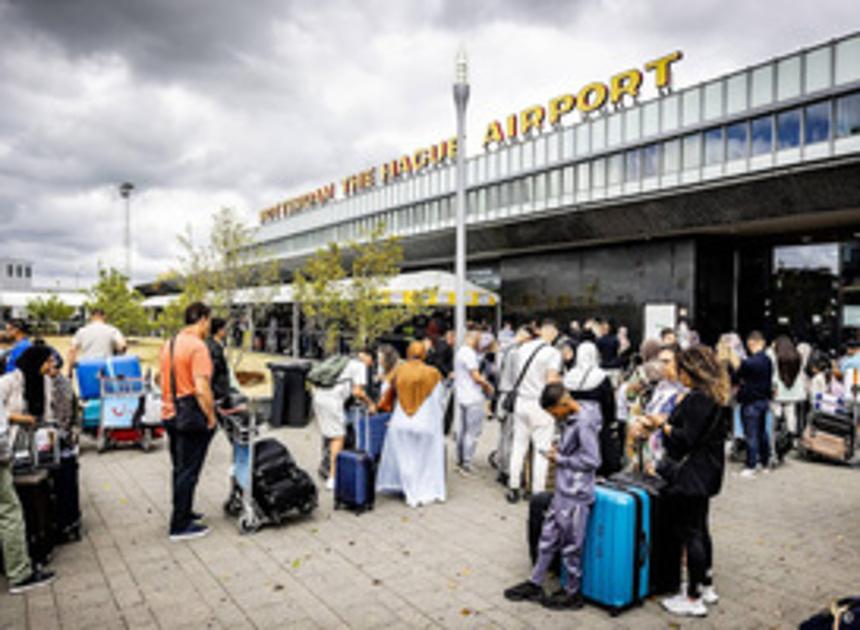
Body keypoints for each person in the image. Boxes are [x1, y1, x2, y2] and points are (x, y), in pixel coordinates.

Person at [641, 346, 727, 618]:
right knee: (701, 528)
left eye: (681, 370)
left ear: (692, 371)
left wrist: (662, 425)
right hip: (707, 471)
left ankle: (692, 597)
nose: (679, 375)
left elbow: (684, 438)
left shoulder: (696, 398)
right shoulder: (717, 396)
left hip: (691, 474)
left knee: (691, 533)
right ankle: (706, 584)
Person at [503, 382, 598, 610]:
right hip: (564, 490)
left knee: (571, 545)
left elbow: (593, 460)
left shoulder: (584, 423)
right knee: (548, 537)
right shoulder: (573, 418)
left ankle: (573, 594)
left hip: (577, 493)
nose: (553, 417)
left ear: (563, 404)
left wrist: (561, 460)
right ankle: (535, 582)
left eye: (553, 412)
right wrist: (560, 451)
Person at [0, 347, 56, 593]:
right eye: (47, 361)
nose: (51, 365)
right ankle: (19, 573)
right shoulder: (7, 383)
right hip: (7, 449)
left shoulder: (42, 383)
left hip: (24, 450)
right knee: (10, 512)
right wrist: (19, 419)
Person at [160, 302, 216, 541]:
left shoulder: (169, 344)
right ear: (203, 319)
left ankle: (184, 511)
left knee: (180, 468)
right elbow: (202, 388)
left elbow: (160, 378)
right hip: (190, 415)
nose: (209, 326)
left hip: (169, 413)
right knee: (189, 471)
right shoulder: (197, 347)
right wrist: (211, 416)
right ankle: (179, 525)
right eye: (209, 321)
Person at [376, 341, 445, 507]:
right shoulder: (433, 374)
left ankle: (410, 491)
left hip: (401, 421)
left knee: (406, 458)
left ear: (407, 353)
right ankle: (425, 490)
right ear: (424, 354)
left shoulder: (399, 371)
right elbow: (439, 400)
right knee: (424, 458)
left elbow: (384, 392)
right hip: (426, 422)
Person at [507, 319, 563, 503]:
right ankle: (536, 492)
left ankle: (513, 487)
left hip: (521, 402)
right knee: (542, 450)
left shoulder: (522, 349)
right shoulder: (552, 353)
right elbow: (551, 379)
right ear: (552, 332)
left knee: (519, 445)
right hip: (541, 406)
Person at [311, 349, 376, 490]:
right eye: (373, 361)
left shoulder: (343, 360)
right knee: (339, 437)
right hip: (332, 401)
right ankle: (333, 478)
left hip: (318, 397)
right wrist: (370, 403)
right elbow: (357, 392)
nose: (372, 365)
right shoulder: (360, 366)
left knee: (329, 434)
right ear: (368, 357)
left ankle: (325, 466)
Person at [563, 341, 618, 477]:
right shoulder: (601, 376)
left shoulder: (570, 376)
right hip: (596, 422)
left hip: (573, 420)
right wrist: (610, 421)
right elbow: (609, 402)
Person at [493, 326, 533, 485]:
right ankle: (508, 471)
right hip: (512, 396)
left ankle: (501, 468)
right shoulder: (517, 353)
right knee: (510, 435)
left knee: (503, 435)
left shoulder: (505, 350)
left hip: (503, 394)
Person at [454, 329, 494, 474]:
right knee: (472, 432)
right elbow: (475, 376)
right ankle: (467, 462)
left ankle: (460, 459)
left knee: (464, 430)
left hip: (463, 396)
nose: (480, 341)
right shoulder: (469, 354)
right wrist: (488, 386)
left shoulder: (460, 352)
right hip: (473, 397)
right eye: (478, 338)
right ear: (473, 338)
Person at [734, 331, 772, 478]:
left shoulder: (748, 363)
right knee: (762, 433)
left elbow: (735, 377)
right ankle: (765, 462)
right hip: (763, 401)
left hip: (750, 402)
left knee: (751, 434)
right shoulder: (768, 360)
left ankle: (751, 465)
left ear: (751, 343)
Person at [66, 308, 126, 376]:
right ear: (104, 317)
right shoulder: (112, 330)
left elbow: (72, 350)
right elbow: (122, 346)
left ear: (91, 317)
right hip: (105, 367)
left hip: (86, 366)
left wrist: (70, 371)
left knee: (87, 386)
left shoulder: (81, 331)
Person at [770, 336, 805, 439]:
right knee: (791, 413)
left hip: (777, 392)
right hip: (793, 393)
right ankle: (791, 437)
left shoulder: (775, 356)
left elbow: (772, 375)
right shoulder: (797, 356)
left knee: (775, 414)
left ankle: (775, 437)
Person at [205, 317, 231, 403]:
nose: (227, 331)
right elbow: (213, 371)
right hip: (217, 392)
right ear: (219, 330)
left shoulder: (211, 344)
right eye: (225, 328)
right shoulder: (215, 348)